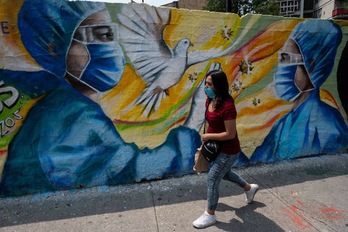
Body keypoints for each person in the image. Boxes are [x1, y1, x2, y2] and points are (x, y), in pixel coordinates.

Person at [0, 0, 200, 195]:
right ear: (55, 47)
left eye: (112, 35)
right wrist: (193, 126)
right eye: (101, 35)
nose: (112, 47)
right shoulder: (73, 117)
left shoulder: (64, 105)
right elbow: (135, 169)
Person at [249, 20, 348, 164]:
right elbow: (256, 160)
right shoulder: (283, 123)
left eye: (290, 60)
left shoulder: (330, 128)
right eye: (283, 59)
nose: (284, 69)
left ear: (312, 65)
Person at [192, 70, 259, 229]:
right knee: (225, 173)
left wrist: (209, 137)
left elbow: (230, 134)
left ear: (218, 86)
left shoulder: (228, 106)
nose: (206, 87)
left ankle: (210, 214)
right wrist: (204, 144)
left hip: (229, 150)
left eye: (209, 84)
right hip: (215, 148)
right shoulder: (210, 100)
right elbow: (208, 124)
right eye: (206, 83)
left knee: (213, 178)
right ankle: (249, 189)